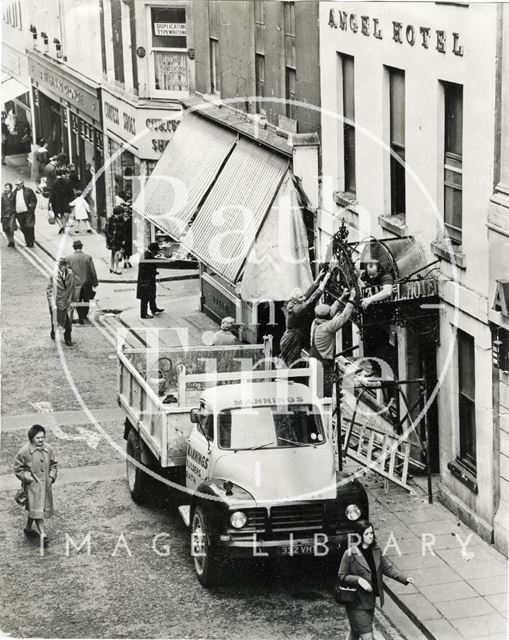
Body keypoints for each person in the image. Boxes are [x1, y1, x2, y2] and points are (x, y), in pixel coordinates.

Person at [338, 522, 414, 640]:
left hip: (370, 600)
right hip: (356, 602)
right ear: (359, 536)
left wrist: (404, 578)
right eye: (366, 533)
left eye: (371, 532)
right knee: (367, 636)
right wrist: (359, 580)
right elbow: (342, 576)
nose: (370, 536)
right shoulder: (350, 554)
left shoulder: (376, 551)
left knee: (355, 631)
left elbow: (388, 569)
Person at [14, 424, 58, 546]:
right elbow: (18, 468)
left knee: (35, 509)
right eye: (38, 438)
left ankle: (28, 529)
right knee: (38, 510)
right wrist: (27, 477)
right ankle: (43, 534)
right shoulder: (24, 451)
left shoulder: (48, 449)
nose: (41, 440)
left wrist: (51, 477)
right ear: (32, 438)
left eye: (42, 437)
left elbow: (54, 465)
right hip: (32, 488)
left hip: (45, 487)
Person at [280, 269, 332, 367]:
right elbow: (311, 300)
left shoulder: (295, 302)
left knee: (291, 361)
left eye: (302, 296)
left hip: (293, 336)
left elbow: (306, 294)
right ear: (295, 300)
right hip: (293, 339)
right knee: (291, 362)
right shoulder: (297, 309)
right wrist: (324, 282)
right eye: (300, 298)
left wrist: (318, 280)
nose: (303, 298)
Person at [309, 289, 356, 397]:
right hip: (322, 363)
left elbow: (332, 310)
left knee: (315, 390)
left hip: (314, 359)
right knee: (325, 393)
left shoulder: (315, 322)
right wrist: (352, 299)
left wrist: (342, 296)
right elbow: (344, 317)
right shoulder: (327, 327)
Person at [46, 258, 80, 345]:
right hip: (57, 303)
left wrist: (75, 300)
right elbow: (49, 290)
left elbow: (75, 286)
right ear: (59, 266)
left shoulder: (71, 274)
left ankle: (68, 338)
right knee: (55, 322)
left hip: (67, 303)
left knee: (68, 323)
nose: (63, 267)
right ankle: (53, 330)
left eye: (65, 265)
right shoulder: (53, 275)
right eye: (61, 266)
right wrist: (52, 304)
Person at [66, 240, 98, 324]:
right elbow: (92, 271)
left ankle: (80, 316)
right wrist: (95, 282)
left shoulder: (69, 259)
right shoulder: (88, 257)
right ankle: (84, 315)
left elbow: (67, 273)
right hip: (87, 283)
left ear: (74, 248)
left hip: (76, 284)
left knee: (78, 301)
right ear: (81, 247)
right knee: (86, 300)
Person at [136, 242, 165, 319]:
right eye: (156, 251)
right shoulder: (147, 257)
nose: (157, 252)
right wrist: (154, 272)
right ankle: (143, 314)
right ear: (153, 250)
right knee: (145, 297)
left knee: (152, 294)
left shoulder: (148, 254)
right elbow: (148, 268)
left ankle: (153, 308)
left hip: (148, 279)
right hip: (145, 281)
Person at [13, 178, 37, 247]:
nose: (17, 186)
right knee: (23, 228)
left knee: (29, 226)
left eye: (18, 185)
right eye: (16, 185)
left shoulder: (28, 190)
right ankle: (28, 241)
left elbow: (34, 199)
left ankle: (31, 240)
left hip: (28, 212)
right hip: (19, 213)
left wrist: (31, 206)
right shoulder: (14, 192)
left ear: (22, 184)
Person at [49, 168, 74, 234]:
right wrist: (71, 200)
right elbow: (70, 192)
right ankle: (63, 225)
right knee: (63, 214)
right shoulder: (67, 181)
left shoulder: (54, 183)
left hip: (56, 201)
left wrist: (50, 202)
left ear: (55, 174)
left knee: (56, 214)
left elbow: (51, 193)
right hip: (65, 201)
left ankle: (61, 226)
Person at [104, 206, 125, 274]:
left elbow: (123, 230)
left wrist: (123, 239)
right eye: (122, 212)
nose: (123, 214)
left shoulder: (121, 219)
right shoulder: (110, 219)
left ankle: (112, 267)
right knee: (116, 253)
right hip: (112, 239)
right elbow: (106, 229)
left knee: (114, 253)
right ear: (119, 213)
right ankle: (117, 268)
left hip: (118, 239)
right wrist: (110, 238)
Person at [1, 182, 17, 247]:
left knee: (11, 227)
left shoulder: (14, 195)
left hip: (11, 214)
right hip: (4, 214)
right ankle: (10, 241)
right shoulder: (2, 195)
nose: (6, 189)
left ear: (11, 188)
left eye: (7, 188)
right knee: (6, 229)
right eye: (5, 188)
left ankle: (12, 240)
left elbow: (16, 204)